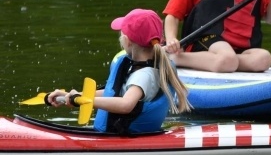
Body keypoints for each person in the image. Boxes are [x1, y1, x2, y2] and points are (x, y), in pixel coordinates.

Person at [46, 9, 191, 134]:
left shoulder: (143, 76)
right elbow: (113, 93)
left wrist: (85, 102)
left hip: (124, 136)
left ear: (127, 41)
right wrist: (71, 95)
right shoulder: (147, 67)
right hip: (126, 133)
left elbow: (126, 104)